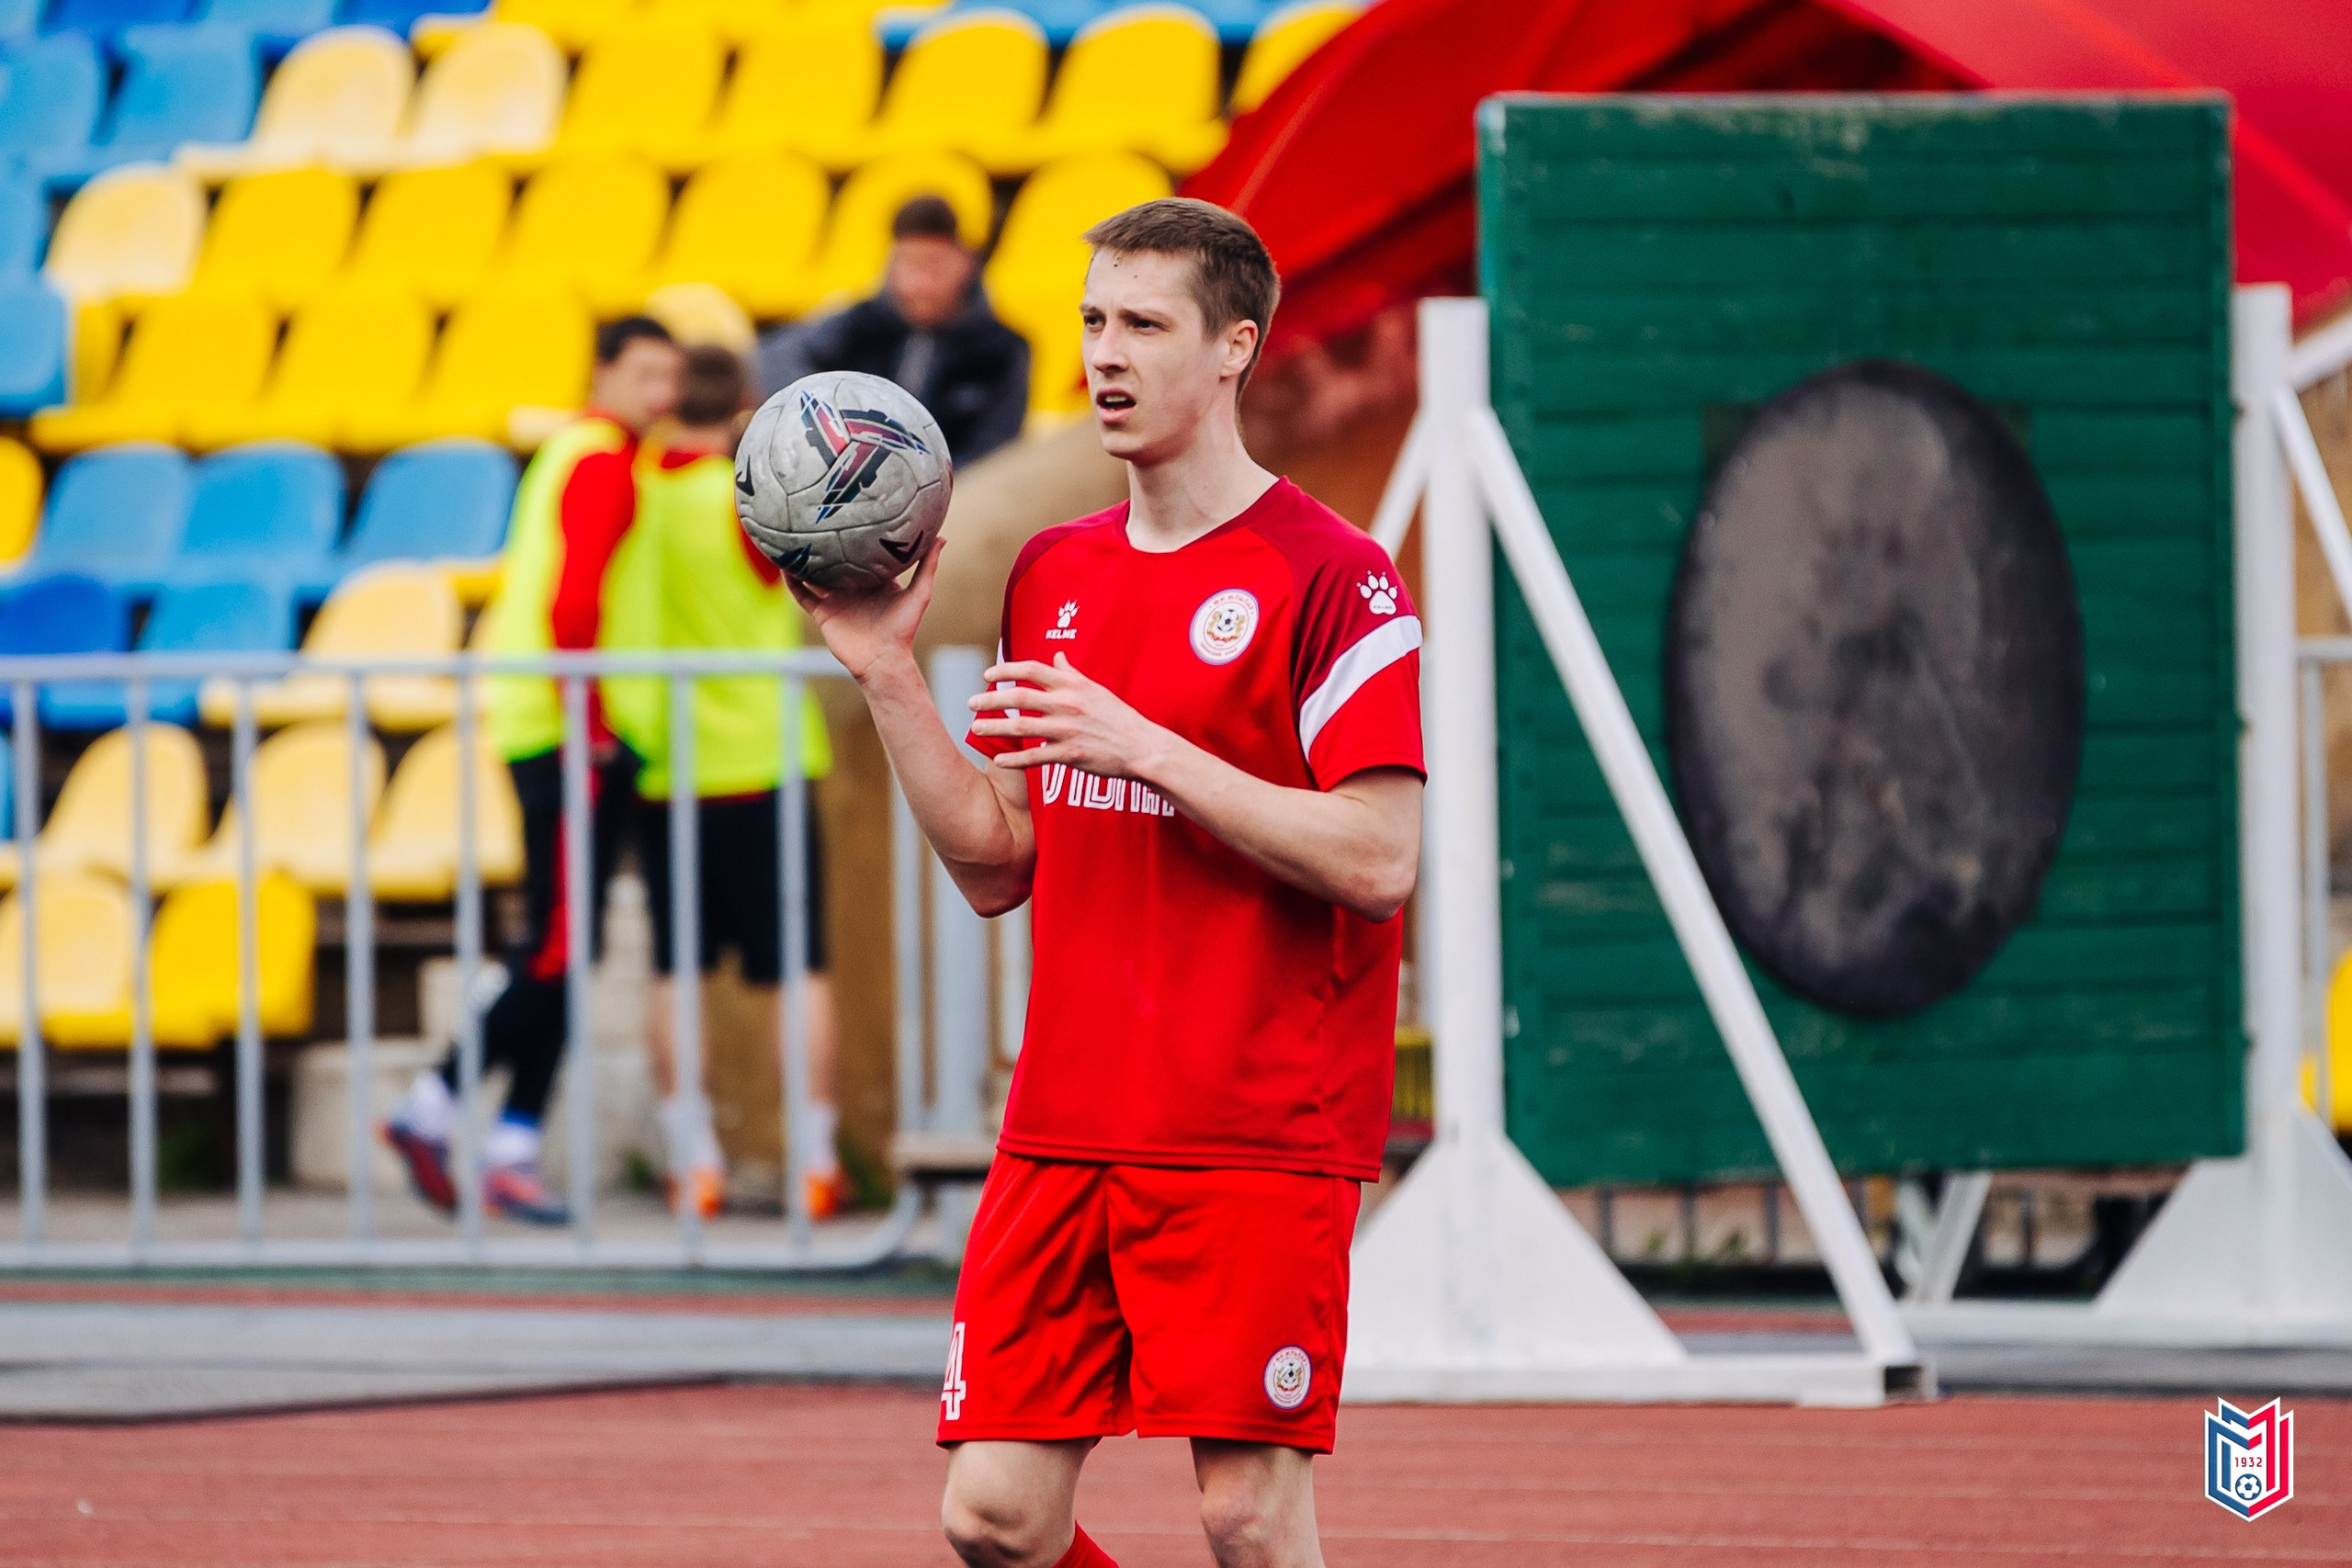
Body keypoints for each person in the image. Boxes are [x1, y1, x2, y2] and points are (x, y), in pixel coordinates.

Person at [794, 198, 1425, 1568]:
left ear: (1233, 349)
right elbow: (998, 862)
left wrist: (1148, 743)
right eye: (1092, 320)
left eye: (1145, 323)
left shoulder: (1340, 578)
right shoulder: (1054, 571)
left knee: (1247, 1516)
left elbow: (1380, 859)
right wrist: (888, 670)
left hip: (1253, 1127)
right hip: (1067, 1119)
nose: (1106, 354)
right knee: (994, 1516)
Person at [382, 316, 683, 1225]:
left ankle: (510, 1143)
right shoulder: (598, 460)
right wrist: (588, 724)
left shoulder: (587, 453)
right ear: (604, 374)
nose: (662, 395)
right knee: (554, 946)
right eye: (645, 374)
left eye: (671, 377)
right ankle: (432, 1107)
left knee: (566, 948)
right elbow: (573, 599)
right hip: (567, 731)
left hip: (557, 722)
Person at [613, 344, 845, 1221]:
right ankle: (816, 1160)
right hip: (768, 754)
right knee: (801, 969)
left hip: (673, 763)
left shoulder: (640, 488)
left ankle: (692, 1158)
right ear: (745, 401)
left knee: (675, 969)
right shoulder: (752, 495)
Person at [757, 195, 1031, 466]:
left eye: (934, 266)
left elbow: (994, 454)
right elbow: (776, 358)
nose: (920, 284)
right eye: (909, 264)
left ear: (965, 263)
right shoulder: (857, 325)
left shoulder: (1002, 351)